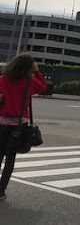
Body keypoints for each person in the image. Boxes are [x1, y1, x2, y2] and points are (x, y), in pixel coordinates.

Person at [0, 54, 47, 201]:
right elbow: (43, 87)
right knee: (10, 158)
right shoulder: (29, 82)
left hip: (1, 123)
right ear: (29, 68)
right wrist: (37, 72)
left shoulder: (2, 80)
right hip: (19, 126)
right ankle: (1, 191)